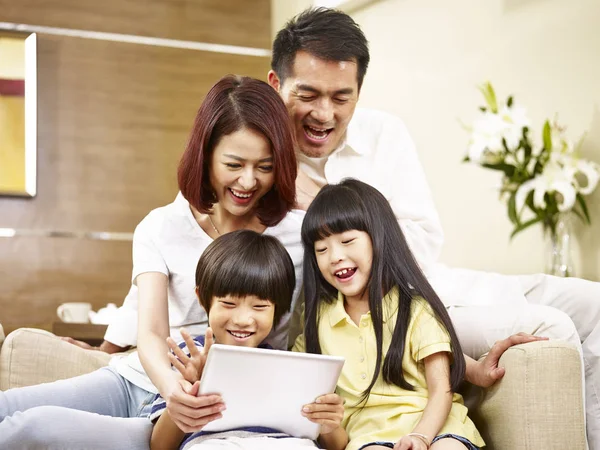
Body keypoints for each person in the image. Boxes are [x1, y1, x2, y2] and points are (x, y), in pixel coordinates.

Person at [267, 7, 599, 448]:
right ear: (277, 85)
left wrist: (321, 200)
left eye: (341, 97)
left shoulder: (385, 133)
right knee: (551, 325)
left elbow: (423, 242)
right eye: (308, 94)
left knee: (591, 301)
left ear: (359, 91)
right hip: (379, 317)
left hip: (439, 289)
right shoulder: (251, 160)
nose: (324, 114)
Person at [0, 74, 303, 449]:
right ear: (205, 156)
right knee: (8, 411)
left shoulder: (301, 236)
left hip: (211, 405)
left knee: (35, 428)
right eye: (234, 164)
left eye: (265, 166)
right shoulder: (162, 226)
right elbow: (151, 332)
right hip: (142, 380)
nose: (247, 181)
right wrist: (168, 387)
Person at [294, 178, 484, 450]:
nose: (334, 256)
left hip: (437, 426)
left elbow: (441, 389)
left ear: (378, 239)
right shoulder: (317, 321)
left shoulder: (415, 308)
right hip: (369, 437)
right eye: (321, 249)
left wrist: (420, 437)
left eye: (347, 240)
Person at [150, 230, 347, 450]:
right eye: (228, 304)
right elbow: (159, 445)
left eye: (260, 307)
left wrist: (329, 425)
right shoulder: (189, 360)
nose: (243, 320)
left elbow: (337, 446)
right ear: (203, 300)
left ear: (278, 309)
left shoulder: (293, 367)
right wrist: (187, 395)